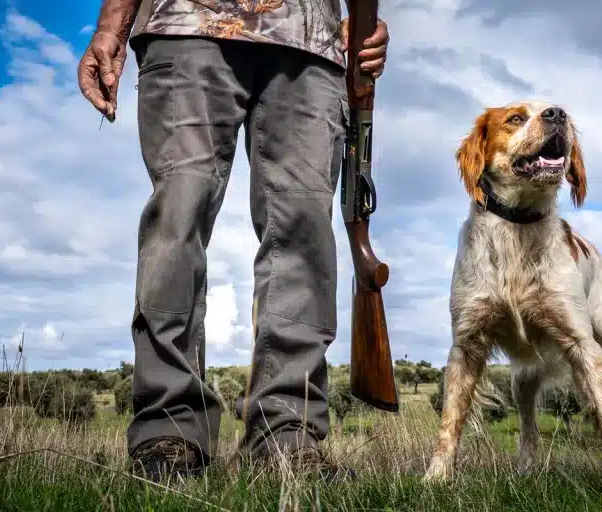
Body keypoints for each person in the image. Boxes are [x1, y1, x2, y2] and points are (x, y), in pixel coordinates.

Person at [77, 0, 389, 483]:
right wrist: (109, 28)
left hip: (310, 39)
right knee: (177, 216)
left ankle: (288, 434)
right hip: (184, 23)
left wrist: (365, 24)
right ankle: (169, 429)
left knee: (304, 227)